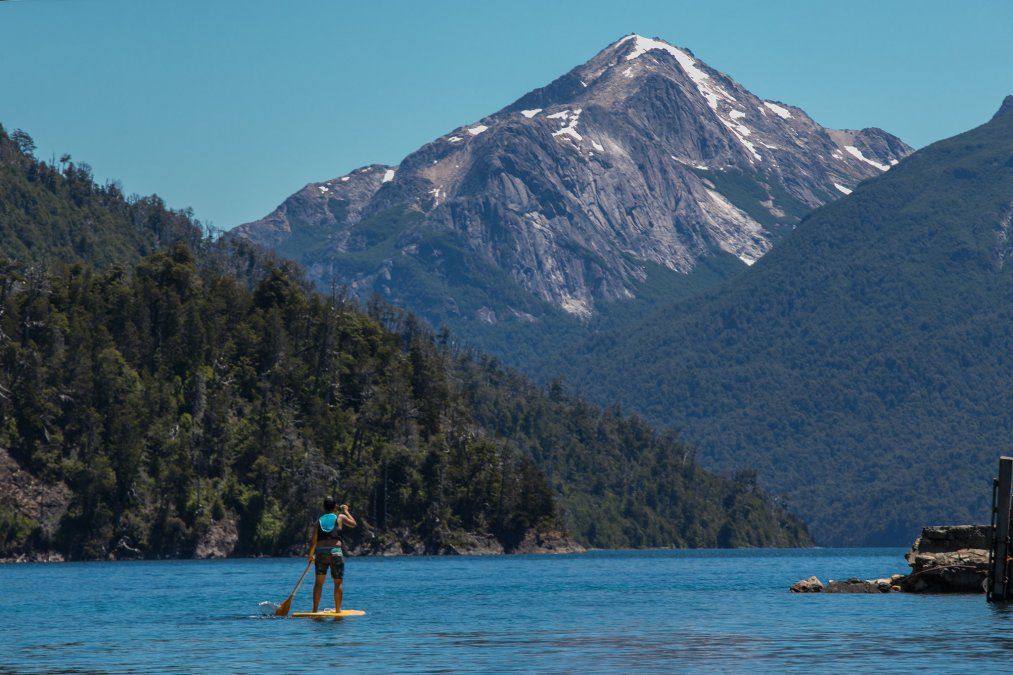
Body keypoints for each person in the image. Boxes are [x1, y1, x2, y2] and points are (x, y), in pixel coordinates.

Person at [308, 497, 357, 613]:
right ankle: (338, 610)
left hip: (320, 553)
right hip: (335, 552)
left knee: (319, 582)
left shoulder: (318, 521)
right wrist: (345, 511)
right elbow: (354, 524)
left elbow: (313, 541)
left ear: (323, 507)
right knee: (338, 582)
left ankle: (314, 610)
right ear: (335, 507)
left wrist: (310, 555)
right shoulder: (339, 517)